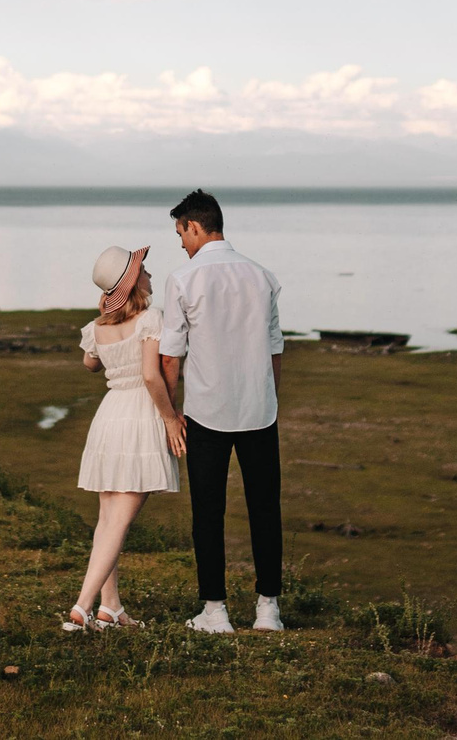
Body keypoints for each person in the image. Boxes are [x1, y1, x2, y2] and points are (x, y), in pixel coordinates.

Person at [157, 188, 285, 634]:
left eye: (180, 233)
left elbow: (170, 357)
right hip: (260, 412)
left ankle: (215, 612)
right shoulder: (262, 275)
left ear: (195, 225)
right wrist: (270, 398)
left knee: (207, 513)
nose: (180, 243)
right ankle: (268, 610)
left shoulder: (183, 279)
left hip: (207, 414)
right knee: (266, 510)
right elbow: (274, 351)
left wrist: (171, 414)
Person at [64, 243, 187, 631]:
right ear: (135, 283)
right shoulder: (151, 319)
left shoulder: (98, 327)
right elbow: (152, 376)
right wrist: (170, 419)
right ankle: (83, 606)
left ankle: (110, 608)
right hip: (139, 414)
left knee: (107, 520)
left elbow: (88, 364)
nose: (149, 274)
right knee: (118, 524)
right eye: (143, 270)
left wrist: (108, 319)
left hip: (109, 415)